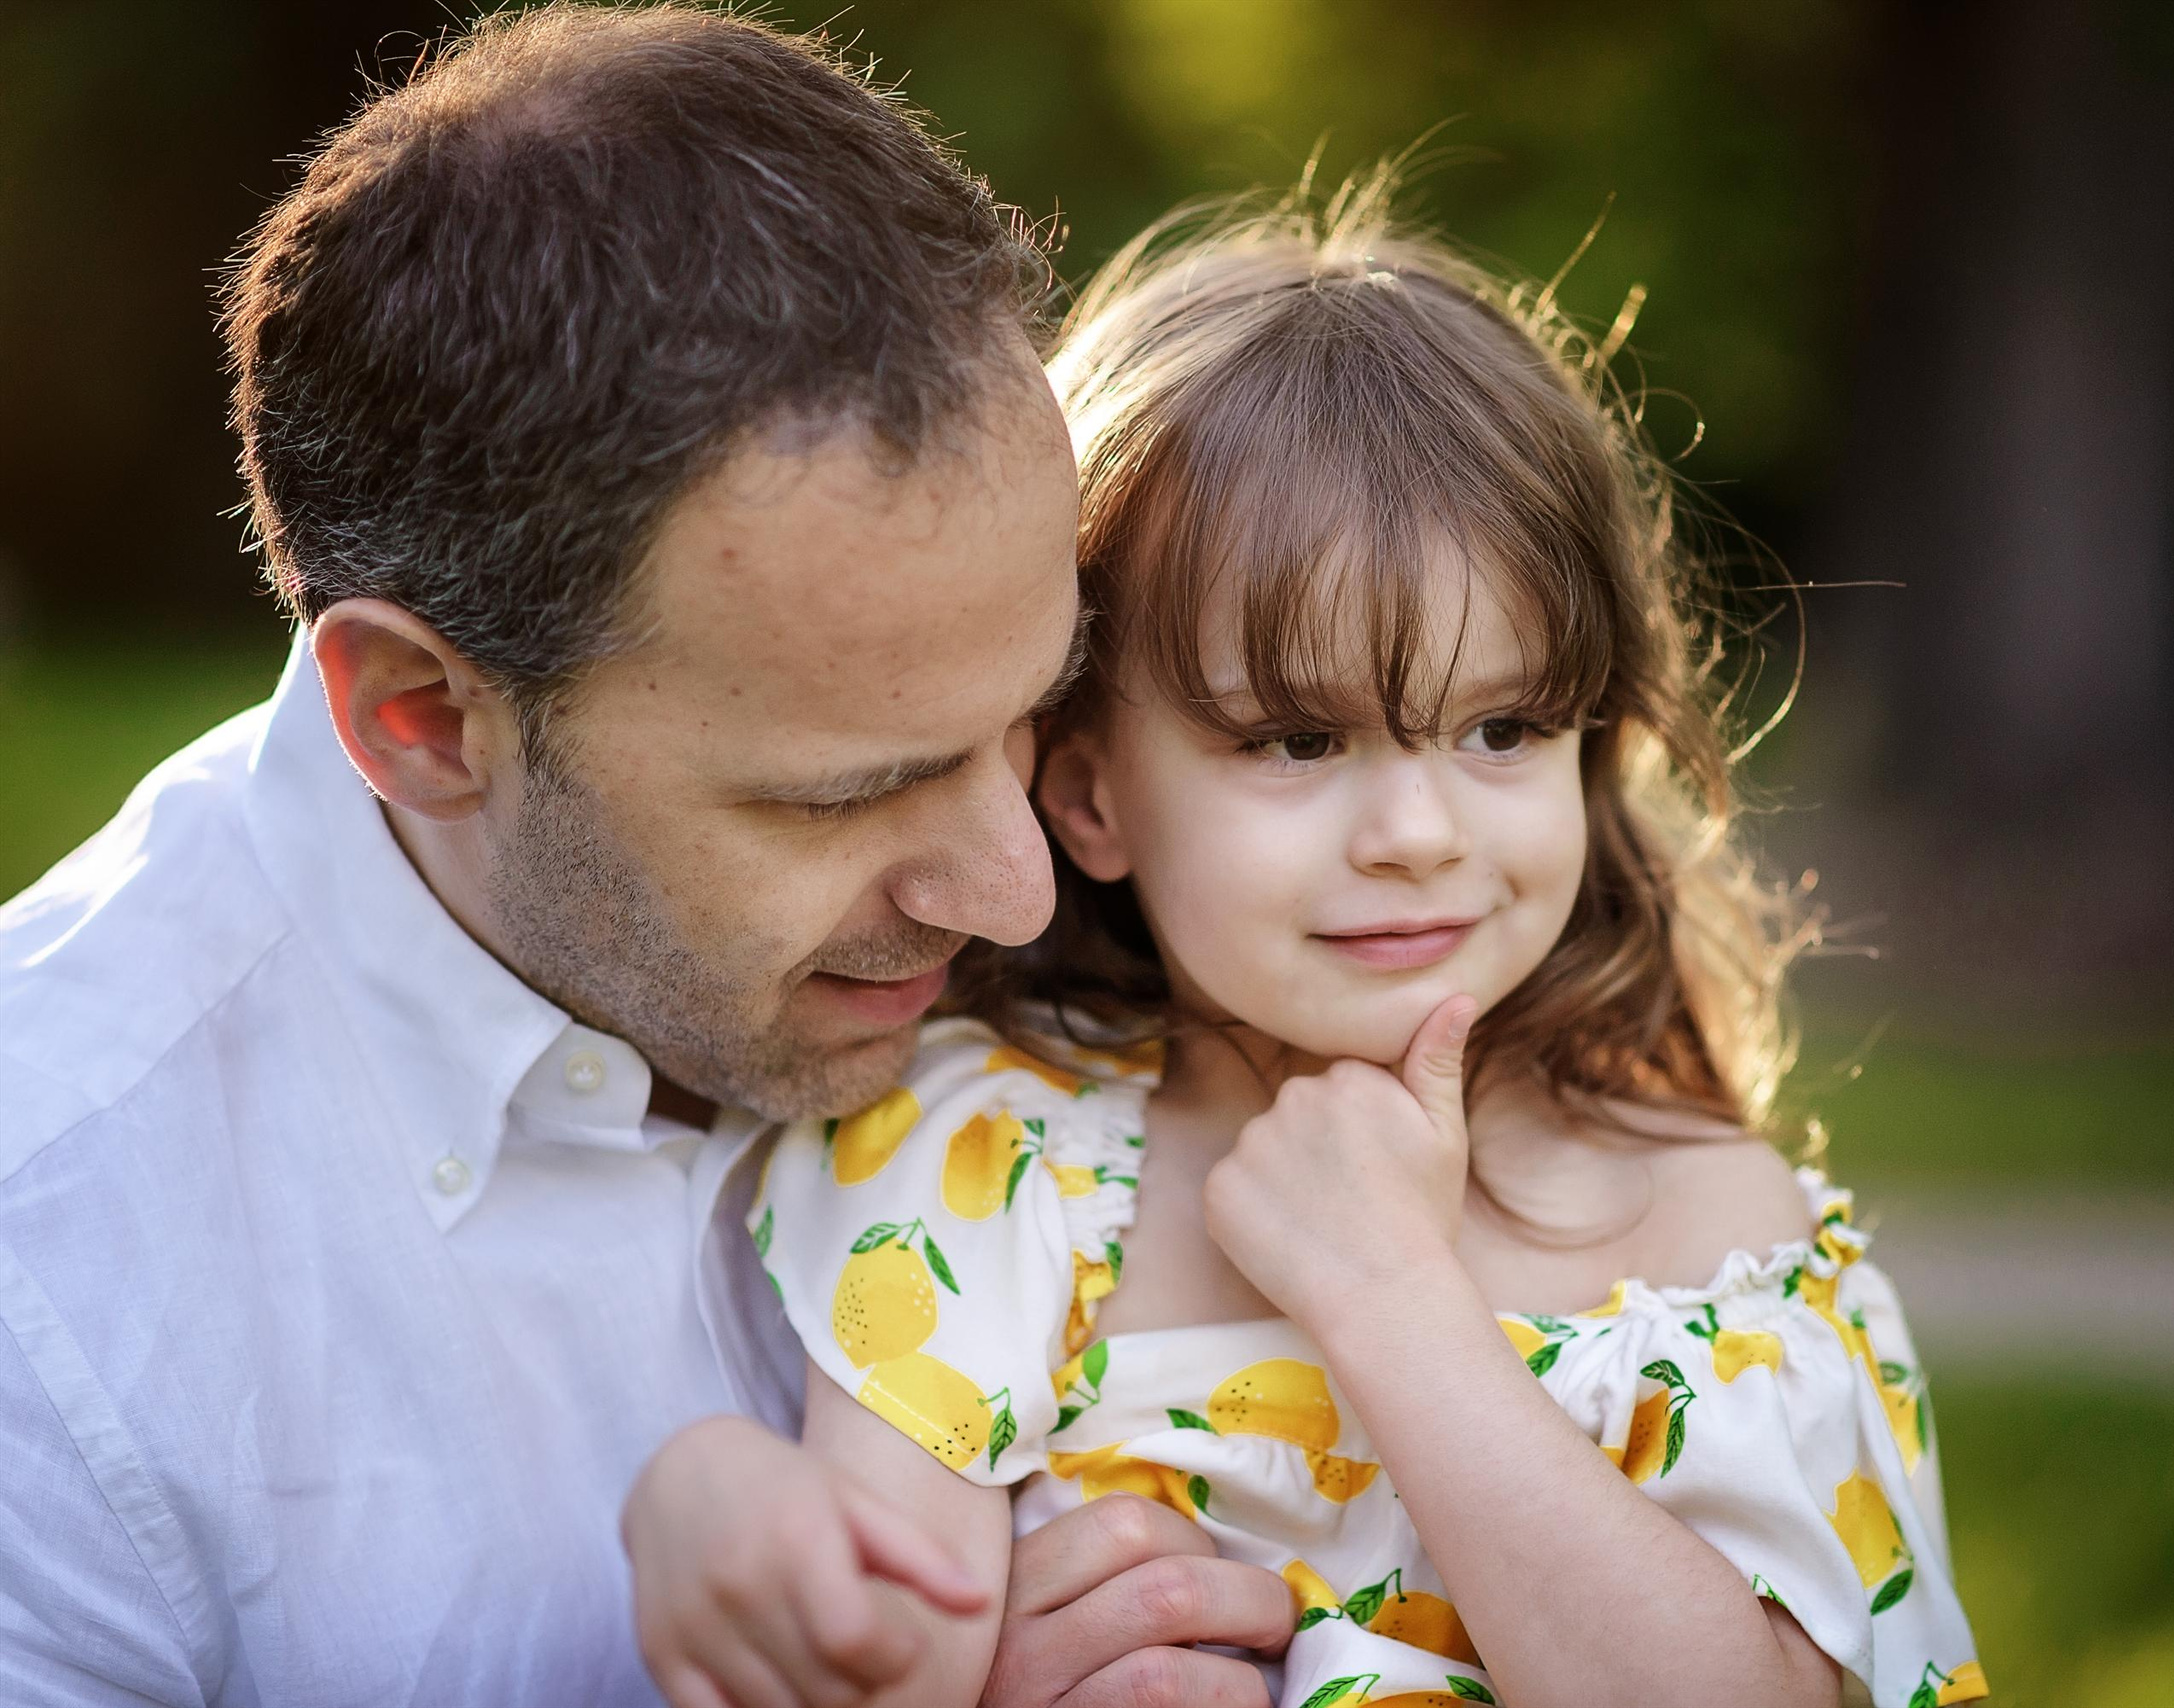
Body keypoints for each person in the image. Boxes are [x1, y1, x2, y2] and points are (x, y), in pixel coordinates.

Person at [0, 7, 1299, 1701]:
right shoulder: (59, 1289)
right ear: (419, 718)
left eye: (1034, 717)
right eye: (845, 794)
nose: (1021, 892)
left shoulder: (1211, 926)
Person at [625, 184, 1993, 1707]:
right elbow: (886, 1651)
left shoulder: (1690, 1227)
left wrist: (1392, 1298)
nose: (1417, 830)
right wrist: (710, 1501)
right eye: (1293, 739)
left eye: (1502, 726)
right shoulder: (988, 1172)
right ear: (1088, 794)